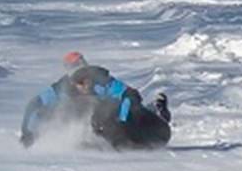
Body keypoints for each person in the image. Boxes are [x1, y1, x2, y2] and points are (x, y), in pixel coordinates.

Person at [19, 51, 171, 150]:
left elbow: (131, 96)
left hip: (132, 126)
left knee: (110, 112)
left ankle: (156, 109)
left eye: (87, 78)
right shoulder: (61, 89)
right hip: (102, 133)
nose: (85, 84)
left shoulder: (104, 82)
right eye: (80, 81)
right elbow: (35, 104)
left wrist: (123, 122)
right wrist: (28, 132)